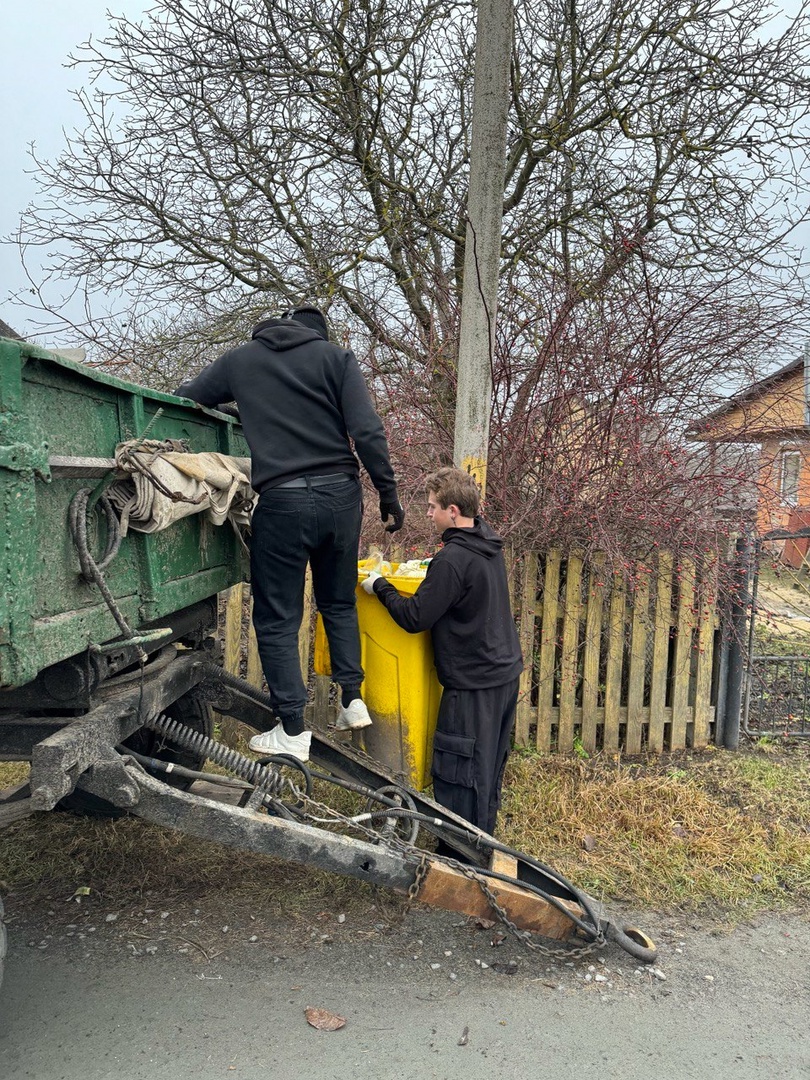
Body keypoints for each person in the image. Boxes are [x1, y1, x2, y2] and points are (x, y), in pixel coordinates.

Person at [175, 306, 404, 762]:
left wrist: (239, 408)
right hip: (341, 497)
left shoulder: (241, 360)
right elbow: (366, 431)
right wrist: (388, 493)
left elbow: (188, 397)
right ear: (317, 334)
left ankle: (293, 729)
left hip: (283, 501)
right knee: (337, 601)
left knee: (278, 616)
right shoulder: (336, 358)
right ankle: (351, 699)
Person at [361, 467, 522, 837]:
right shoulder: (488, 545)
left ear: (453, 511)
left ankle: (460, 853)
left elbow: (415, 617)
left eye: (433, 506)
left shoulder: (452, 560)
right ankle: (482, 842)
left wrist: (380, 586)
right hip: (503, 676)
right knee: (485, 770)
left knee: (461, 773)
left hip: (473, 684)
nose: (428, 513)